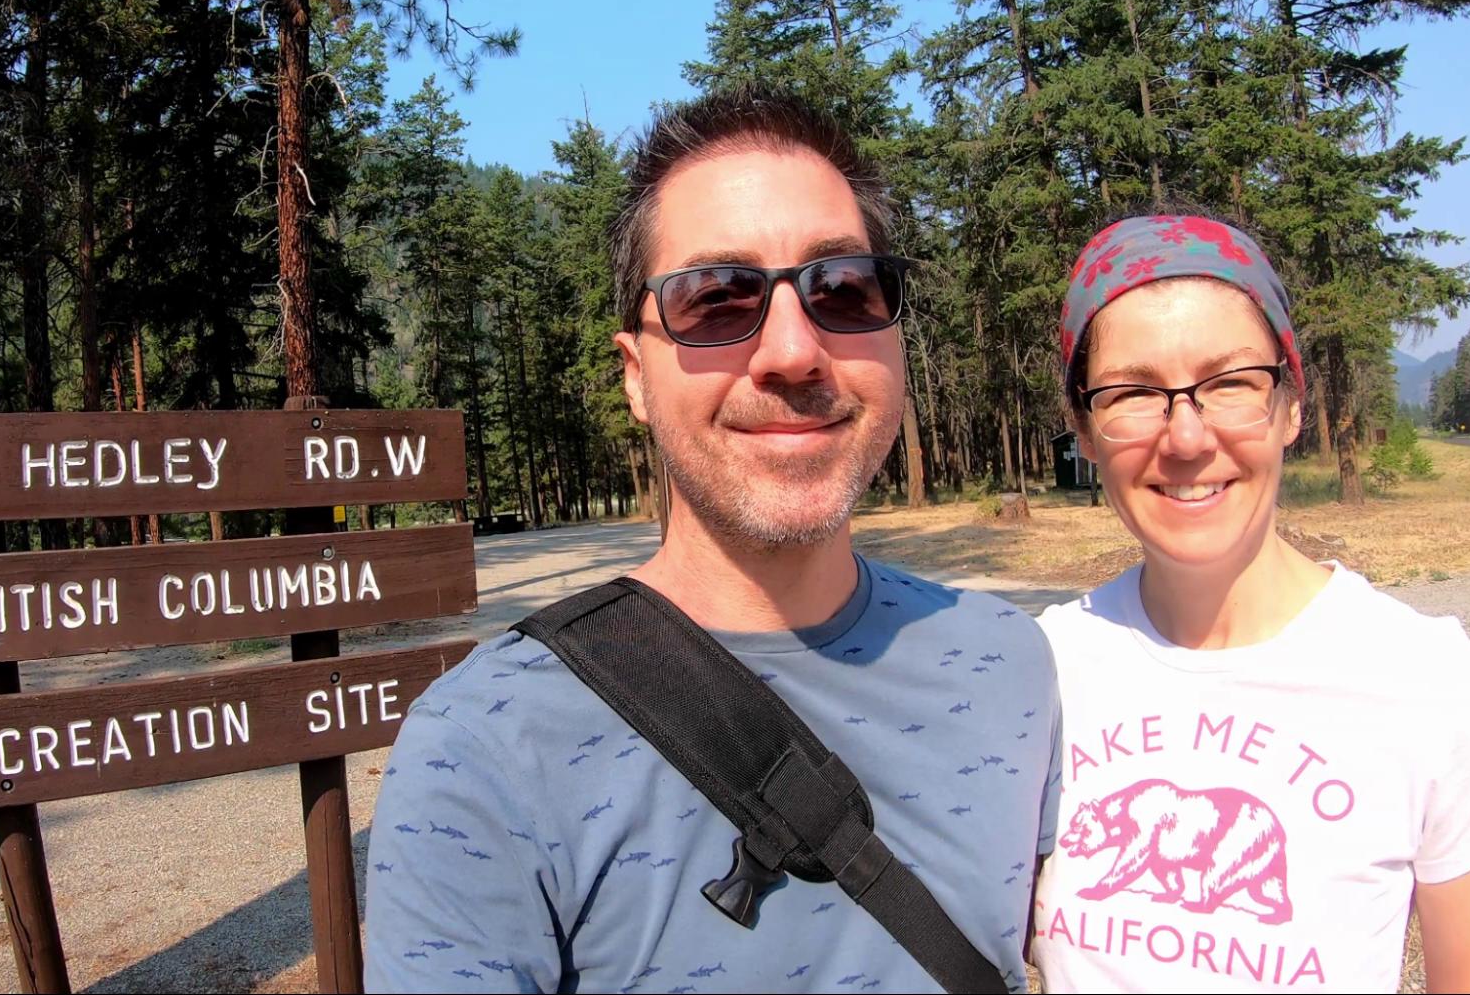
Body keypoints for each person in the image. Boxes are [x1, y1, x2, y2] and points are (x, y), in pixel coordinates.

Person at [363, 86, 1061, 993]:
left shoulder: (1010, 665)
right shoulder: (484, 746)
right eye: (716, 298)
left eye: (842, 288)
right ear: (636, 377)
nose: (789, 352)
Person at [1031, 213, 1470, 992]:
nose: (1186, 438)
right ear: (1082, 432)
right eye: (1131, 392)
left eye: (1230, 384)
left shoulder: (1439, 690)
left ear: (1291, 405)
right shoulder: (1037, 675)